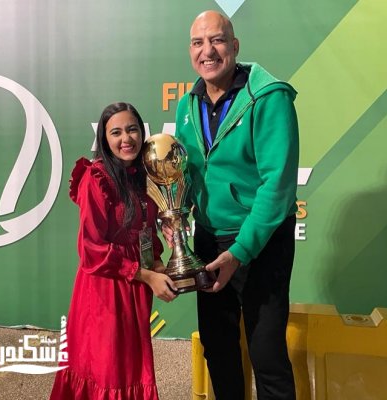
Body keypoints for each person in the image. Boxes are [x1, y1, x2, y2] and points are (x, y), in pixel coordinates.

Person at [173, 10, 299, 400]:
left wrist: (239, 253)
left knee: (267, 354)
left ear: (235, 45)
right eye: (198, 43)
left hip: (261, 243)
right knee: (219, 349)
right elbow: (188, 175)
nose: (207, 51)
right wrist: (175, 217)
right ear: (190, 51)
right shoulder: (186, 105)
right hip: (209, 241)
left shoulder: (269, 97)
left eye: (217, 40)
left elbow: (277, 187)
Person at [50, 102, 177, 400]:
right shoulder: (96, 178)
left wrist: (158, 263)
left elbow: (145, 233)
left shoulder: (142, 177)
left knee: (130, 370)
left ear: (142, 132)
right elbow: (91, 250)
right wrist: (146, 275)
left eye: (132, 130)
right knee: (107, 371)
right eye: (116, 132)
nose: (126, 139)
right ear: (104, 139)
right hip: (104, 292)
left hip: (135, 288)